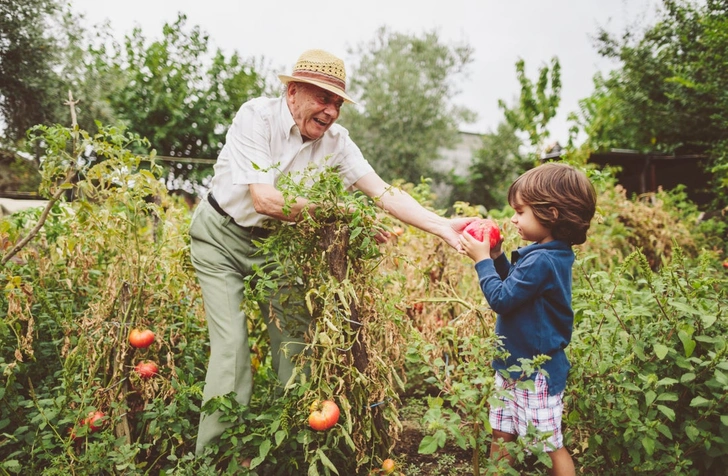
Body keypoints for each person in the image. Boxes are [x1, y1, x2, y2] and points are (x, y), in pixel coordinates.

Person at [189, 48, 474, 454]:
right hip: (219, 237)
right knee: (232, 349)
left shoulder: (337, 143)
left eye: (337, 103)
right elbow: (265, 201)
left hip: (276, 245)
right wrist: (344, 214)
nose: (331, 112)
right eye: (323, 98)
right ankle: (212, 459)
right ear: (293, 92)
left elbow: (383, 193)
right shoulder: (256, 117)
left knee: (296, 345)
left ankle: (296, 449)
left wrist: (442, 224)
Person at [458, 162, 596, 476]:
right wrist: (496, 257)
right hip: (514, 366)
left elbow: (502, 300)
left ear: (552, 213)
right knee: (501, 432)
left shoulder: (544, 260)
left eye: (520, 211)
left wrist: (482, 262)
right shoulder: (545, 253)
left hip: (536, 374)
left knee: (548, 444)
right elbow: (517, 289)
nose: (513, 218)